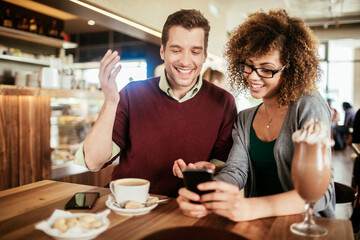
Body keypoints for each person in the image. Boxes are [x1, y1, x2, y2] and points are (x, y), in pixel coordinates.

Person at [174, 9, 335, 221]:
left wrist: (251, 208)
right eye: (249, 65)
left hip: (307, 225)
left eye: (266, 69)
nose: (253, 76)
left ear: (290, 69)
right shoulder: (245, 119)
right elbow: (236, 172)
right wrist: (207, 191)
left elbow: (321, 193)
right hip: (259, 225)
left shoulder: (308, 105)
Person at [74, 9, 237, 197]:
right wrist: (110, 101)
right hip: (128, 206)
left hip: (184, 209)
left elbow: (224, 169)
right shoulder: (131, 93)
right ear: (162, 51)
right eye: (176, 50)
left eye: (195, 51)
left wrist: (206, 172)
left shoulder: (223, 102)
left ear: (204, 56)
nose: (185, 61)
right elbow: (94, 161)